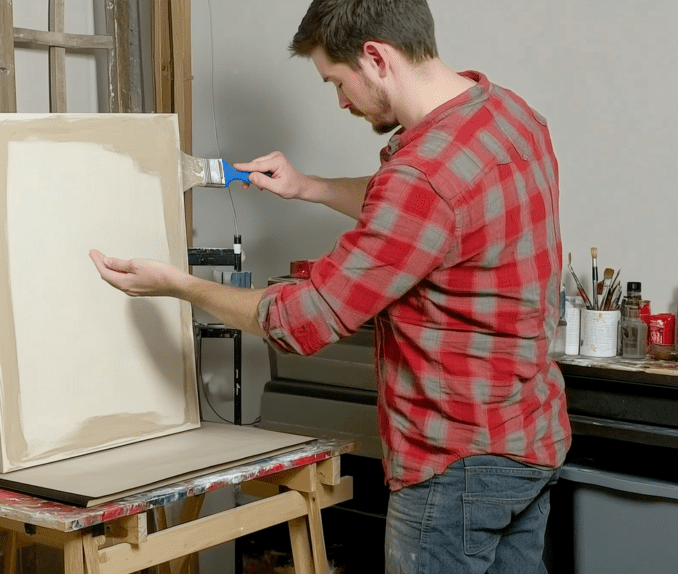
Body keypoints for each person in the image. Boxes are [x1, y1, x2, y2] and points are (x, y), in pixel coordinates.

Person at [90, 0, 571, 572]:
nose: (341, 101)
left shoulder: (420, 181)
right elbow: (431, 211)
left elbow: (304, 320)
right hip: (531, 436)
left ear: (375, 57)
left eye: (337, 82)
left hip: (456, 461)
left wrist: (179, 285)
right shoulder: (506, 115)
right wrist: (308, 187)